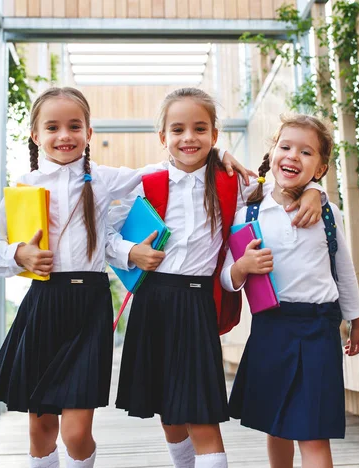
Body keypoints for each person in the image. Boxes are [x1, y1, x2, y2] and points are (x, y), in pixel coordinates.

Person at [0, 86, 247, 468]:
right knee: (39, 427)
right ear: (36, 135)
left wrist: (219, 154)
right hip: (42, 307)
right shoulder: (23, 188)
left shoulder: (106, 180)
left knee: (75, 433)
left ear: (89, 133)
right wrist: (17, 254)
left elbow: (176, 164)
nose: (64, 136)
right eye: (52, 127)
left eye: (75, 126)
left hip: (89, 308)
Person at [106, 88, 325, 468]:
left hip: (196, 303)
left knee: (202, 412)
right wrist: (129, 252)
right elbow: (103, 230)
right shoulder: (144, 181)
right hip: (152, 302)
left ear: (215, 134)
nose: (189, 137)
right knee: (169, 415)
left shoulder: (233, 183)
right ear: (162, 137)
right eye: (177, 130)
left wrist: (315, 193)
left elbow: (280, 188)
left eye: (200, 129)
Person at [221, 114, 359, 468]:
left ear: (320, 167)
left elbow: (343, 269)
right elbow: (227, 278)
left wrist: (357, 320)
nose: (292, 156)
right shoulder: (248, 212)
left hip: (318, 328)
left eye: (306, 152)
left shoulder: (328, 212)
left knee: (313, 431)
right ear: (271, 154)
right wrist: (243, 267)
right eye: (285, 147)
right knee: (277, 423)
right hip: (272, 326)